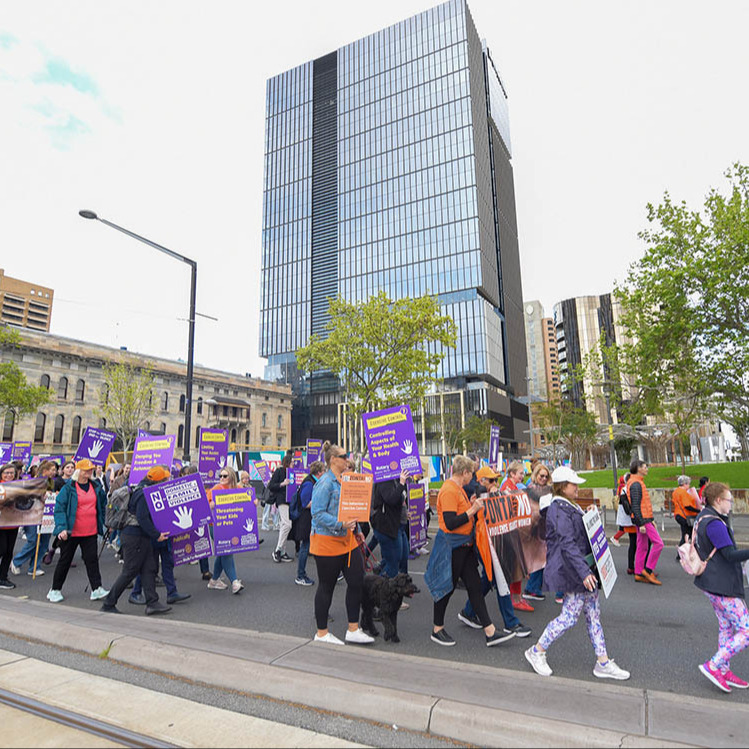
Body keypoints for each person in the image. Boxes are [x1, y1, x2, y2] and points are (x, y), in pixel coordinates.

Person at [524, 466, 630, 680]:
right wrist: (584, 572)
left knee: (592, 615)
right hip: (573, 570)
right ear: (563, 487)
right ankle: (536, 651)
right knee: (570, 617)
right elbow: (567, 543)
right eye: (574, 484)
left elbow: (574, 536)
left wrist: (589, 516)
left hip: (579, 569)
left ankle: (602, 661)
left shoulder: (565, 505)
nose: (578, 487)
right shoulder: (559, 509)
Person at [425, 455, 511, 648]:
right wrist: (472, 510)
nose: (472, 478)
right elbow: (450, 522)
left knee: (474, 588)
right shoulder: (449, 490)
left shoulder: (458, 489)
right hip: (453, 548)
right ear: (464, 472)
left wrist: (470, 504)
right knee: (446, 589)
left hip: (464, 547)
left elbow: (459, 514)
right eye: (471, 473)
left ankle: (489, 630)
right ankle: (437, 629)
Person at [457, 464, 531, 639]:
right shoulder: (478, 496)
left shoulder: (491, 495)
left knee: (489, 578)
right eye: (491, 480)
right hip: (484, 542)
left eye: (496, 479)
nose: (495, 483)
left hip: (493, 540)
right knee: (500, 578)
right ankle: (510, 623)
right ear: (481, 481)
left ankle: (468, 611)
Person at [310, 442, 373, 645]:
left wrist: (359, 531)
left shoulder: (345, 479)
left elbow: (351, 510)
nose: (348, 459)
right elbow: (317, 513)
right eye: (344, 456)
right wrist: (340, 524)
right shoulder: (325, 483)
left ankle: (353, 628)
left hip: (349, 541)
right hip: (327, 542)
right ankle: (321, 633)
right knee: (326, 587)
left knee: (356, 581)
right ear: (333, 460)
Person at [693, 482, 749, 693]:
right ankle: (714, 665)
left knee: (726, 627)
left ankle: (724, 670)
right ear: (718, 500)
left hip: (711, 582)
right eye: (729, 500)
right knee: (746, 630)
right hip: (722, 584)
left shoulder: (703, 516)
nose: (731, 504)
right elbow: (730, 555)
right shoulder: (715, 524)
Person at [101, 465, 172, 615]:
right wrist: (156, 535)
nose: (167, 481)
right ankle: (109, 602)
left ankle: (152, 602)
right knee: (130, 571)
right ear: (158, 481)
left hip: (139, 537)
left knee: (149, 569)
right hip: (135, 537)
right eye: (165, 479)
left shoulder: (143, 489)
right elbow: (142, 518)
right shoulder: (145, 494)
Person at [47, 459, 109, 603]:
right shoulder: (68, 488)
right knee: (65, 561)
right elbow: (60, 508)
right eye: (86, 470)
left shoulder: (96, 486)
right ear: (78, 471)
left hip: (90, 530)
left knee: (92, 560)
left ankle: (96, 588)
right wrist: (61, 528)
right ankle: (55, 590)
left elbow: (102, 505)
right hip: (71, 531)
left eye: (90, 470)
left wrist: (107, 522)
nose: (89, 472)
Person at [11, 460, 57, 577]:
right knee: (33, 541)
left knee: (44, 542)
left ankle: (34, 567)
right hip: (31, 515)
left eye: (55, 470)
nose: (54, 472)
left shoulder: (52, 482)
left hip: (46, 516)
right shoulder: (34, 481)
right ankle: (17, 561)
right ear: (45, 471)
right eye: (52, 470)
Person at [501, 460, 533, 612]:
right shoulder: (508, 488)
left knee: (517, 566)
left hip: (514, 532)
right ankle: (515, 598)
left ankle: (516, 596)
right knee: (516, 566)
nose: (523, 476)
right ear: (512, 473)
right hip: (511, 533)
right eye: (521, 473)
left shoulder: (511, 486)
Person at [206, 467, 244, 594]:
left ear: (231, 477)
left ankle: (214, 580)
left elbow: (246, 502)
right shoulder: (216, 489)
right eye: (220, 476)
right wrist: (212, 505)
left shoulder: (238, 489)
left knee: (223, 552)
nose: (221, 478)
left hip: (230, 525)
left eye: (225, 476)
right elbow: (206, 507)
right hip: (215, 526)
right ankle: (234, 582)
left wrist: (254, 502)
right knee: (227, 551)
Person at [627, 460, 663, 585]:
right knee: (659, 544)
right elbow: (635, 506)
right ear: (638, 468)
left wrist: (650, 520)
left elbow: (642, 505)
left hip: (644, 519)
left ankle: (638, 573)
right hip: (643, 519)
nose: (647, 468)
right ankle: (647, 570)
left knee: (642, 546)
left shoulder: (637, 482)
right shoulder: (636, 484)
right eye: (645, 467)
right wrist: (642, 523)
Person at [371, 470, 411, 579]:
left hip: (398, 525)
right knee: (393, 564)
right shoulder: (385, 479)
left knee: (402, 557)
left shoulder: (395, 479)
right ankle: (379, 589)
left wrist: (404, 512)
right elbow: (391, 499)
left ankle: (382, 570)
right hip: (386, 527)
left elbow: (399, 501)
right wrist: (402, 483)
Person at [522, 462, 552, 601]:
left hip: (545, 527)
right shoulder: (531, 489)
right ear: (536, 475)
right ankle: (531, 588)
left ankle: (533, 587)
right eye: (541, 476)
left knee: (542, 559)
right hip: (534, 527)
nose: (544, 478)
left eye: (546, 476)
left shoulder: (548, 489)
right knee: (539, 559)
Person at [293, 460, 324, 586]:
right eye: (323, 471)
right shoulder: (309, 484)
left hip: (309, 519)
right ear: (318, 472)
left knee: (313, 546)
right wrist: (321, 504)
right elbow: (305, 503)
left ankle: (332, 572)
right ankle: (300, 575)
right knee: (305, 547)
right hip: (306, 519)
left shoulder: (311, 482)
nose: (324, 474)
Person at [268, 453, 294, 563]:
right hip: (281, 500)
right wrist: (282, 484)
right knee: (287, 524)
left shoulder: (292, 473)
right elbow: (271, 485)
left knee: (284, 525)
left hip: (289, 500)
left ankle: (282, 552)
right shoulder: (279, 471)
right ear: (287, 462)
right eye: (292, 462)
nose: (293, 464)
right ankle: (278, 550)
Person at [0, 463, 21, 590]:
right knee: (1, 550)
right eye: (6, 473)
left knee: (8, 552)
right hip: (1, 525)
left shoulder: (19, 487)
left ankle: (3, 578)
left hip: (13, 524)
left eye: (11, 473)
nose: (9, 475)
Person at [673, 475, 700, 550]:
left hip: (678, 514)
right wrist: (698, 510)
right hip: (684, 515)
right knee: (687, 535)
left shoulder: (676, 491)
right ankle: (681, 552)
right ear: (685, 484)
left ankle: (684, 551)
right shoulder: (683, 492)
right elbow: (687, 506)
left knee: (686, 534)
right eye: (688, 484)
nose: (689, 485)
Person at [609, 474, 628, 547]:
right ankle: (615, 537)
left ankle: (616, 538)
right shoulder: (624, 487)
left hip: (621, 508)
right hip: (623, 509)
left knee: (623, 527)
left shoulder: (620, 486)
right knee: (624, 527)